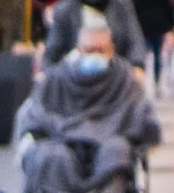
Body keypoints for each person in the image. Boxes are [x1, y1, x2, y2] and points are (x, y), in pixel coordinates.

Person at [19, 15, 165, 193]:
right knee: (51, 157)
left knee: (115, 152)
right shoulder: (57, 79)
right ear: (79, 50)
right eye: (89, 50)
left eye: (101, 50)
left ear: (111, 50)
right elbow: (36, 115)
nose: (95, 55)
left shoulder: (126, 80)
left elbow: (143, 117)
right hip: (61, 141)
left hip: (111, 143)